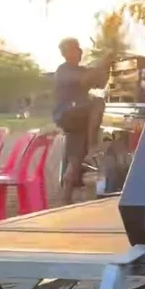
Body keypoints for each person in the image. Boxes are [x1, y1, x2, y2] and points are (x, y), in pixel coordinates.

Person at [52, 37, 111, 205]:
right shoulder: (63, 70)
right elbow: (85, 79)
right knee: (98, 103)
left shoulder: (80, 70)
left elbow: (100, 83)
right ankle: (92, 144)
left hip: (79, 116)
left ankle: (66, 196)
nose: (79, 52)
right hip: (69, 114)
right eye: (75, 49)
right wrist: (102, 63)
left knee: (75, 157)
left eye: (78, 49)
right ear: (66, 53)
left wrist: (105, 67)